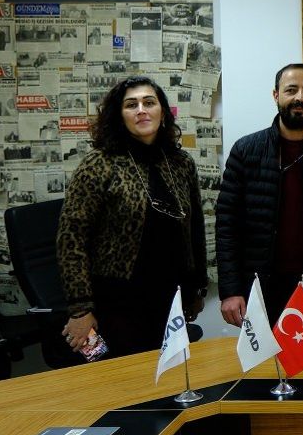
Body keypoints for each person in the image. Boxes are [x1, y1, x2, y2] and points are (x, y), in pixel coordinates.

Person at [57, 76, 207, 358]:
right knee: (128, 380)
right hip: (118, 301)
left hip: (171, 296)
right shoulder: (98, 164)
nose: (141, 110)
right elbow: (71, 240)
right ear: (119, 116)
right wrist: (80, 309)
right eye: (131, 105)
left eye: (149, 102)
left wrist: (198, 287)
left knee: (174, 375)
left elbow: (194, 229)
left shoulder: (181, 163)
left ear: (162, 112)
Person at [216, 63, 303, 334]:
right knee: (263, 363)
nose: (300, 97)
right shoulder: (246, 150)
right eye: (291, 90)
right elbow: (227, 226)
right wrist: (230, 290)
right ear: (276, 95)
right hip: (259, 290)